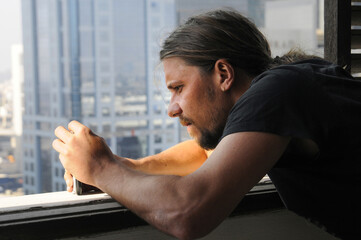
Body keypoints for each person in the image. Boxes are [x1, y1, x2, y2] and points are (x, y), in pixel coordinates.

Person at [52, 9, 361, 239]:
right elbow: (204, 155)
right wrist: (124, 167)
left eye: (178, 88)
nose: (172, 109)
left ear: (223, 74)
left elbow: (188, 212)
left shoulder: (276, 91)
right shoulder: (288, 86)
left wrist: (102, 168)